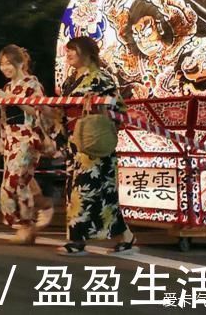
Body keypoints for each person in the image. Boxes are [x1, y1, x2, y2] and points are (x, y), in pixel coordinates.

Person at [58, 36, 136, 255]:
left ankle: (77, 240)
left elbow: (118, 109)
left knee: (85, 190)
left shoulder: (102, 78)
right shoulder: (70, 80)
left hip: (94, 140)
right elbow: (63, 110)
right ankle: (125, 235)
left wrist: (99, 109)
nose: (69, 55)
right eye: (67, 51)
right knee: (97, 193)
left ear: (86, 52)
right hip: (75, 141)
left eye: (73, 50)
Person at [0, 45, 53, 244]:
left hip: (27, 137)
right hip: (9, 139)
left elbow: (39, 112)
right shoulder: (7, 88)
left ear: (20, 62)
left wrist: (12, 99)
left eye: (9, 63)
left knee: (14, 182)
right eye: (2, 65)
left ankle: (25, 223)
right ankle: (26, 226)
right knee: (20, 183)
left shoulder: (32, 84)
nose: (5, 68)